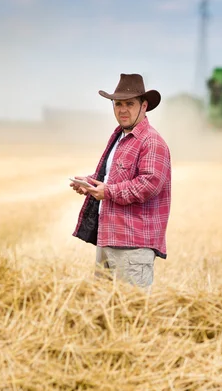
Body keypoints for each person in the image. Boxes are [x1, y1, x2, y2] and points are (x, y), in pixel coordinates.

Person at [70, 73, 171, 289]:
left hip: (134, 247)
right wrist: (90, 185)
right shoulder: (120, 137)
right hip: (108, 239)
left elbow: (149, 184)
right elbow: (115, 179)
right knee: (104, 314)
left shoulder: (152, 141)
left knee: (133, 316)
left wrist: (107, 192)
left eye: (129, 104)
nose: (122, 109)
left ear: (144, 106)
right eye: (118, 104)